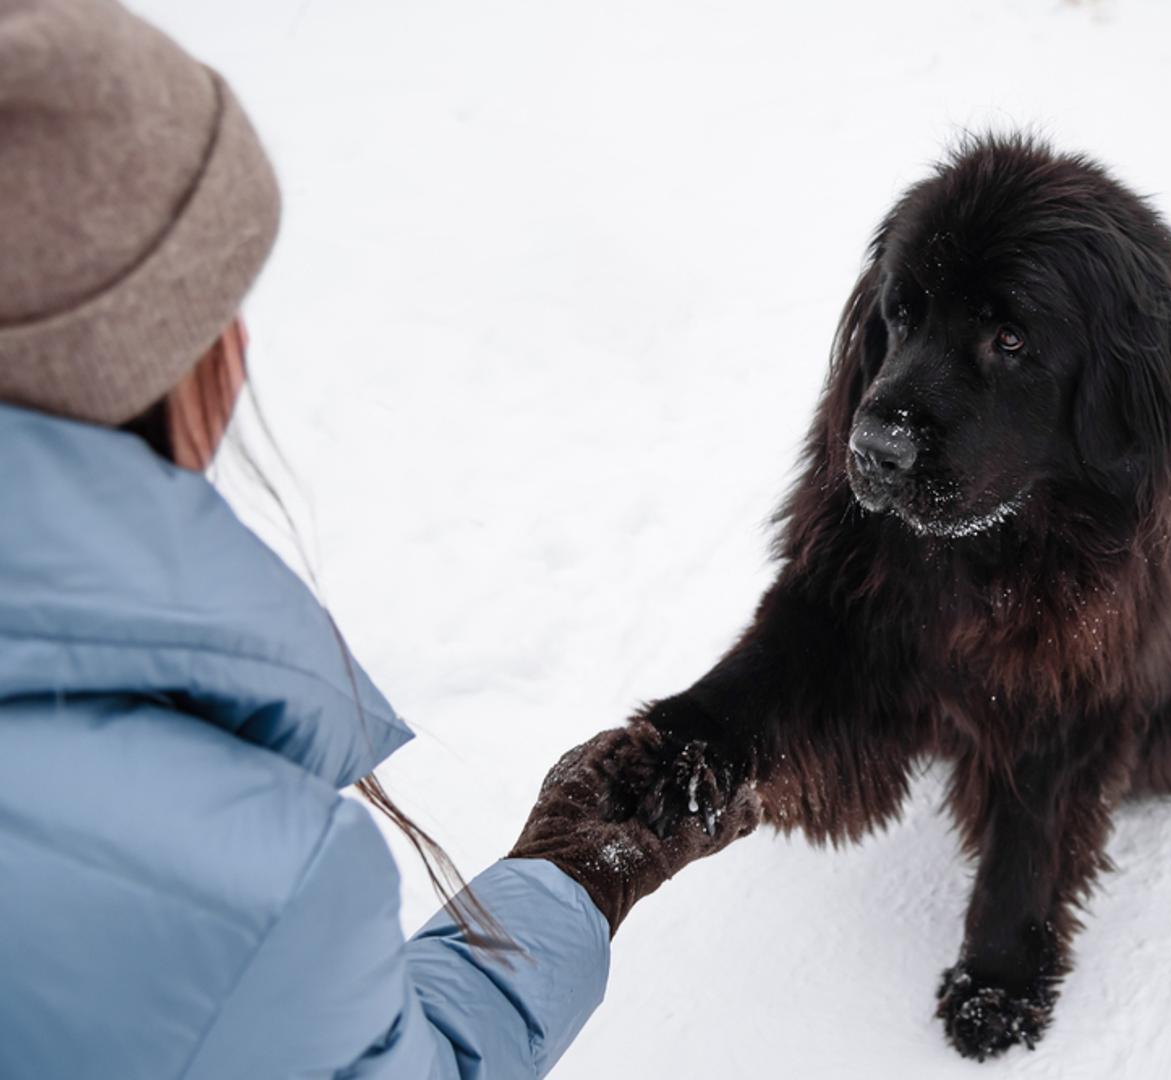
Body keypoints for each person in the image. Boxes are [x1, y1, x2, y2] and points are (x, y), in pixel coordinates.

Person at [0, 1, 758, 1076]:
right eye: (213, 306)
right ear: (144, 360)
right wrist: (576, 877)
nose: (241, 341)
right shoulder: (226, 883)